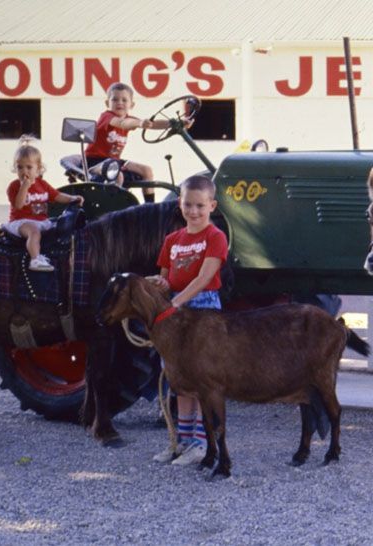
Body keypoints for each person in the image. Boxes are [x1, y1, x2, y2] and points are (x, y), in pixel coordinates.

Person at [148, 174, 228, 465]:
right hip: (177, 309)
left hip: (203, 308)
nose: (193, 211)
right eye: (187, 205)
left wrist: (177, 301)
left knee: (200, 377)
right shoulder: (172, 240)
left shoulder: (215, 237)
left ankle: (201, 442)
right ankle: (182, 440)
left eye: (199, 206)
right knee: (178, 377)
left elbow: (205, 277)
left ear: (212, 206)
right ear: (179, 204)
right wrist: (160, 285)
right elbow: (168, 280)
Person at [85, 82, 186, 203]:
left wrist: (177, 123)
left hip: (113, 161)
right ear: (107, 103)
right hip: (95, 160)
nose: (119, 103)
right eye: (115, 99)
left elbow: (152, 124)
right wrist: (139, 123)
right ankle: (115, 203)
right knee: (117, 175)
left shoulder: (130, 119)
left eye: (124, 100)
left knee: (147, 170)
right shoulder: (107, 117)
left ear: (131, 104)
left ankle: (149, 206)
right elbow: (122, 123)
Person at [4, 136, 83, 272]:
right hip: (21, 222)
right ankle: (35, 260)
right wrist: (25, 187)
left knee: (59, 230)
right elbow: (18, 205)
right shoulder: (14, 186)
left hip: (41, 220)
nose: (24, 171)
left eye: (29, 167)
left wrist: (72, 198)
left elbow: (57, 195)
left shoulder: (42, 185)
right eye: (20, 167)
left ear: (38, 168)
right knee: (34, 232)